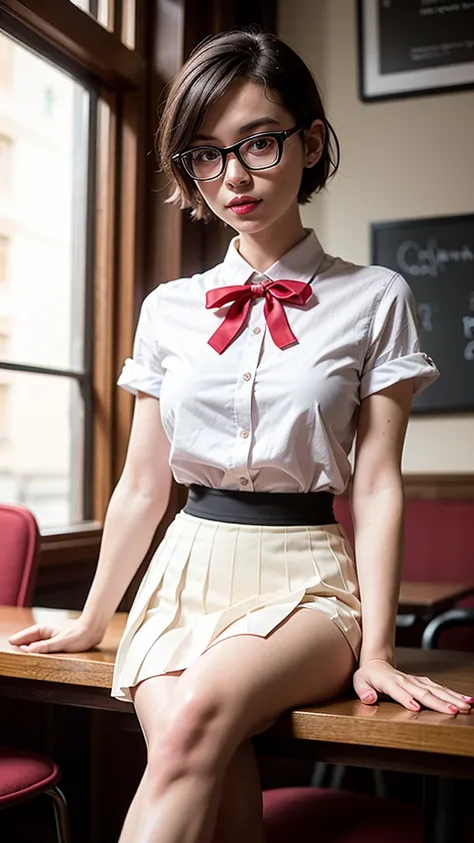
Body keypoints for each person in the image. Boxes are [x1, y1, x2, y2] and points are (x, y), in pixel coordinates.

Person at [9, 27, 473, 843]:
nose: (234, 176)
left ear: (312, 141)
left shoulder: (376, 296)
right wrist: (90, 619)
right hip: (183, 574)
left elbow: (377, 482)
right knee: (210, 764)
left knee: (189, 726)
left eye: (259, 142)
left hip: (307, 583)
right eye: (205, 155)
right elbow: (144, 484)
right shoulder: (169, 308)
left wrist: (381, 645)